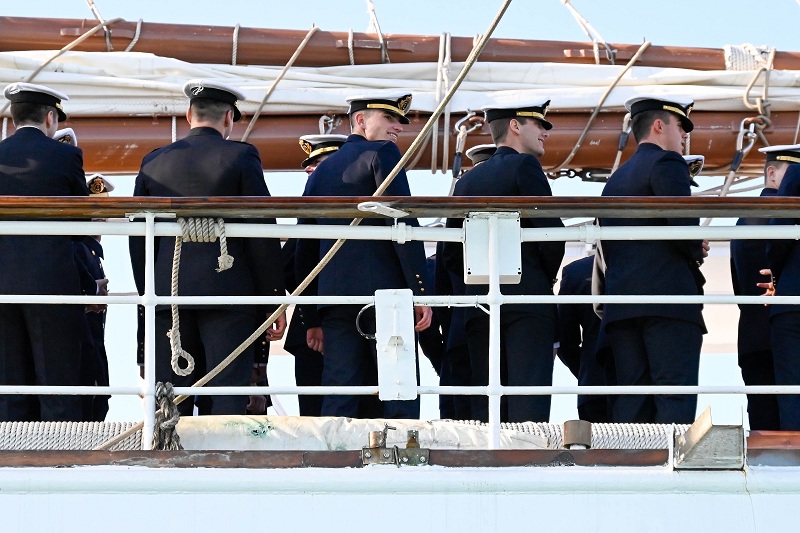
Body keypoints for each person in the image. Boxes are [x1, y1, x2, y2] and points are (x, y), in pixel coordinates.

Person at [129, 79, 286, 416]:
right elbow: (262, 231)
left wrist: (149, 294)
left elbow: (139, 240)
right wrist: (273, 299)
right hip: (228, 294)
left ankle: (168, 463)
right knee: (226, 395)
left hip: (167, 297)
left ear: (189, 115)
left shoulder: (153, 162)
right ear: (229, 117)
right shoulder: (242, 156)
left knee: (171, 398)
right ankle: (220, 462)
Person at [294, 93, 432, 419]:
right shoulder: (383, 152)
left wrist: (311, 316)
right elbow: (404, 224)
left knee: (340, 391)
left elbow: (305, 250)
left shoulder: (323, 171)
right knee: (398, 388)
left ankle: (336, 458)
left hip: (334, 301)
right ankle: (403, 460)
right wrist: (421, 292)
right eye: (389, 119)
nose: (397, 126)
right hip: (385, 297)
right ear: (360, 120)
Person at [443, 99, 565, 423]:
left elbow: (451, 254)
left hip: (479, 305)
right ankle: (527, 463)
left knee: (489, 404)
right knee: (528, 402)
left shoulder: (465, 182)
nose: (544, 133)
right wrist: (543, 279)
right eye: (538, 125)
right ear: (515, 126)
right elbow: (552, 235)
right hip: (527, 304)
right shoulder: (524, 167)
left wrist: (477, 286)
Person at [598, 95, 707, 424]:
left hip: (623, 305)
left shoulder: (615, 180)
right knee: (673, 396)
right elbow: (683, 229)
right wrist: (696, 246)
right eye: (680, 126)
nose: (685, 136)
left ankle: (631, 470)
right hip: (668, 304)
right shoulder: (668, 163)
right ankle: (671, 474)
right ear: (659, 126)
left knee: (632, 401)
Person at [0, 82, 90, 421]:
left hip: (1, 284)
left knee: (7, 381)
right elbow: (82, 222)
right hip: (51, 281)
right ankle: (60, 456)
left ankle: (7, 456)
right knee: (58, 380)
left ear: (12, 118)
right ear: (50, 118)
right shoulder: (65, 155)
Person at [730, 145, 800, 430]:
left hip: (755, 336)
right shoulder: (769, 215)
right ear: (772, 173)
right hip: (778, 333)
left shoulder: (746, 217)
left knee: (766, 430)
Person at [282, 134, 346, 416]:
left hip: (347, 325)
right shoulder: (311, 210)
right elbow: (291, 267)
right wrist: (313, 316)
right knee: (316, 417)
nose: (310, 170)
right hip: (315, 329)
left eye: (319, 164)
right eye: (310, 166)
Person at [73, 174, 113, 421]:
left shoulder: (93, 251)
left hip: (94, 347)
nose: (98, 215)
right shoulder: (78, 247)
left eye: (103, 208)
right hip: (81, 350)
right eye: (92, 207)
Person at [557, 252, 611, 422]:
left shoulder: (576, 272)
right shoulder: (647, 267)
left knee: (598, 446)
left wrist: (583, 370)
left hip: (594, 380)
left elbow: (564, 340)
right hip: (643, 385)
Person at [766, 162, 800, 429]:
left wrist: (775, 272)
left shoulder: (797, 171)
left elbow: (782, 227)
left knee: (792, 388)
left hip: (794, 295)